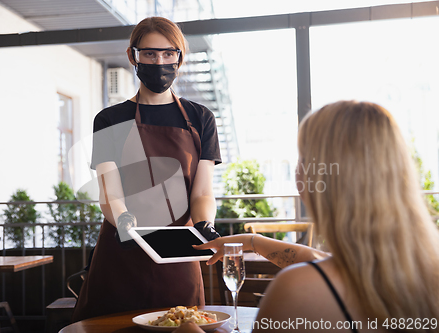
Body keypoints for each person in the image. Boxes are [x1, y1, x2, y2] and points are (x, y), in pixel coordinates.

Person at [177, 101, 439, 332]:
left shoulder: (297, 290)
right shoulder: (423, 271)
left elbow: (321, 270)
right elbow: (323, 261)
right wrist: (252, 241)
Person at [72, 16, 221, 321]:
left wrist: (205, 224)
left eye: (169, 54)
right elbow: (109, 193)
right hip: (122, 253)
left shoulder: (201, 119)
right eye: (150, 54)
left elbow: (203, 190)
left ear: (180, 58)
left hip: (179, 254)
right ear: (133, 56)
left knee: (182, 324)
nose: (160, 62)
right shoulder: (109, 120)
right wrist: (124, 220)